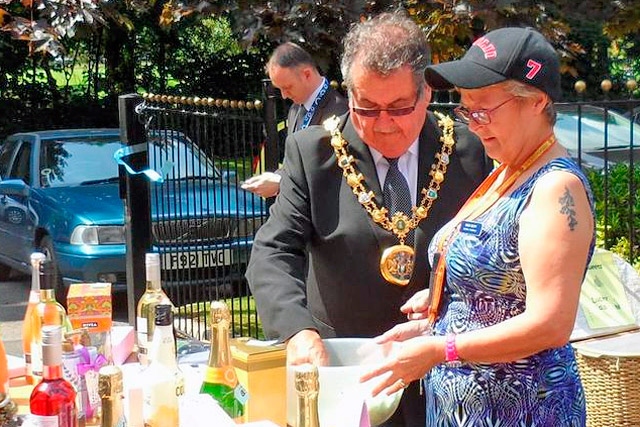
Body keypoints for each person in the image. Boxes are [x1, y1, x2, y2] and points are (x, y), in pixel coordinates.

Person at [246, 12, 493, 426]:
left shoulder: (471, 152)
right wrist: (297, 331)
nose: (383, 125)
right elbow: (274, 248)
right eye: (367, 107)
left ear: (426, 94)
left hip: (449, 377)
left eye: (399, 108)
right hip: (348, 374)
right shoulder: (314, 152)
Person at [360, 27, 596, 426]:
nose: (474, 124)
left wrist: (442, 349)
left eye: (483, 110)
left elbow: (551, 324)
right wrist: (437, 318)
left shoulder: (557, 188)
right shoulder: (509, 171)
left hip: (525, 410)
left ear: (536, 101)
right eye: (466, 110)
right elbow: (501, 294)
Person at [241, 42, 348, 198]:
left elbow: (334, 174)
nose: (284, 95)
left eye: (287, 87)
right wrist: (275, 177)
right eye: (280, 89)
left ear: (307, 74)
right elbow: (293, 164)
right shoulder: (295, 110)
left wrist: (280, 182)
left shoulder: (340, 111)